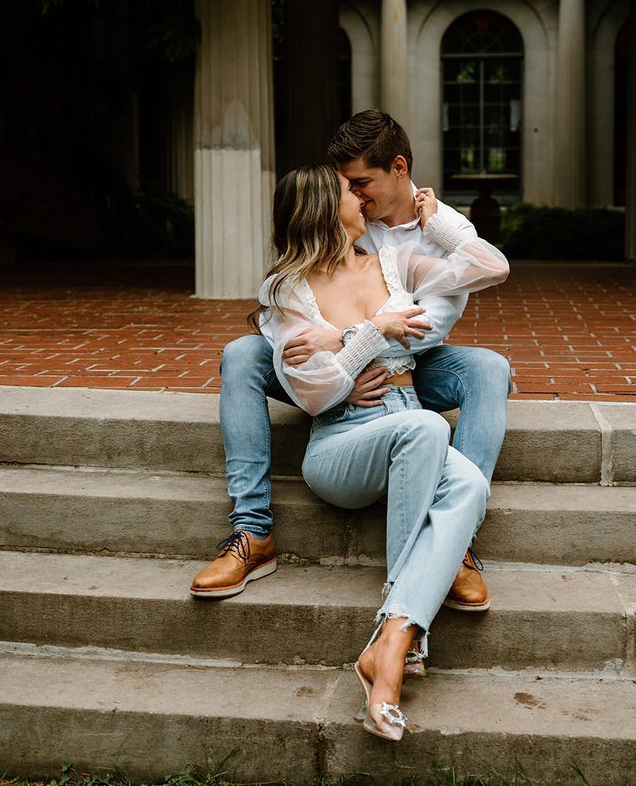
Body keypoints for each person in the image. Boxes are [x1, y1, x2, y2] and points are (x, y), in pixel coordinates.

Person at [190, 111, 511, 612]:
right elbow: (312, 309)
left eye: (362, 183)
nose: (357, 197)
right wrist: (345, 351)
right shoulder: (319, 255)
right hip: (340, 387)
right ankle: (251, 531)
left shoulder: (438, 234)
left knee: (489, 367)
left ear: (398, 168)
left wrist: (341, 338)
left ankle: (455, 544)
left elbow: (423, 329)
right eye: (348, 189)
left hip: (413, 367)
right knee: (241, 353)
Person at [256, 163, 509, 740]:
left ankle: (394, 638)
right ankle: (401, 634)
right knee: (426, 428)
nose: (361, 195)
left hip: (408, 420)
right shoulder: (285, 290)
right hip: (341, 444)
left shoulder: (394, 264)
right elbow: (316, 393)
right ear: (326, 207)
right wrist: (372, 331)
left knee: (468, 483)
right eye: (349, 189)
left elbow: (491, 267)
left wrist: (438, 220)